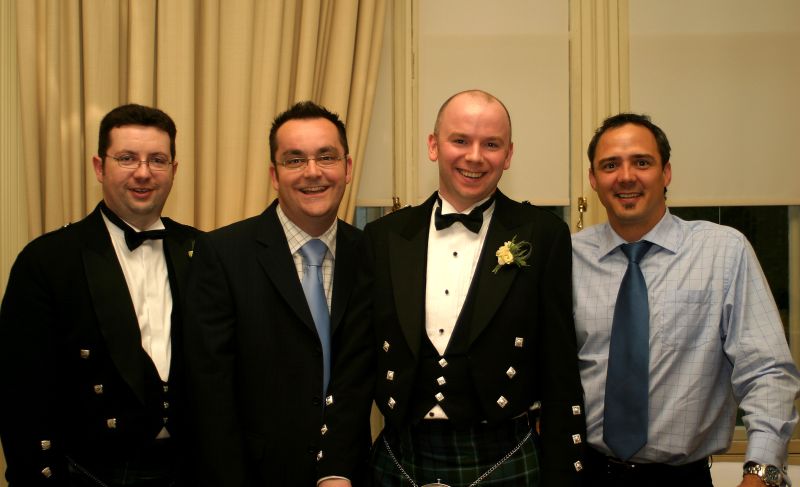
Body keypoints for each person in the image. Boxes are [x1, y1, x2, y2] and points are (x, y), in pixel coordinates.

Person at [317, 90, 586, 486]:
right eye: (460, 140)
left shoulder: (542, 235)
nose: (474, 156)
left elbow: (560, 367)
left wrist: (566, 474)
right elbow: (355, 364)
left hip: (504, 455)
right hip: (401, 456)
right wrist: (334, 469)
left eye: (491, 144)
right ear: (433, 145)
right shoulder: (384, 237)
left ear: (508, 155)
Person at [572, 112, 800, 487]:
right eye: (610, 165)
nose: (626, 176)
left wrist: (761, 473)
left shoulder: (723, 252)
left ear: (666, 173)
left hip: (681, 479)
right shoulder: (569, 258)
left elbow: (767, 372)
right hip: (586, 473)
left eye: (642, 162)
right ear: (594, 179)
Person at [0, 104, 198, 486]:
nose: (143, 172)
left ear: (173, 170)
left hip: (189, 469)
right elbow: (19, 392)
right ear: (99, 167)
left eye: (157, 160)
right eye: (127, 158)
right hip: (89, 472)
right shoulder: (48, 260)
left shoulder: (203, 251)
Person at [183, 101, 366, 486]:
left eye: (326, 157)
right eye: (295, 160)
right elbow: (210, 393)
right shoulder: (223, 254)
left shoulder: (370, 253)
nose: (313, 172)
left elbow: (361, 377)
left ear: (347, 168)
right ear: (274, 173)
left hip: (348, 474)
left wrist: (340, 467)